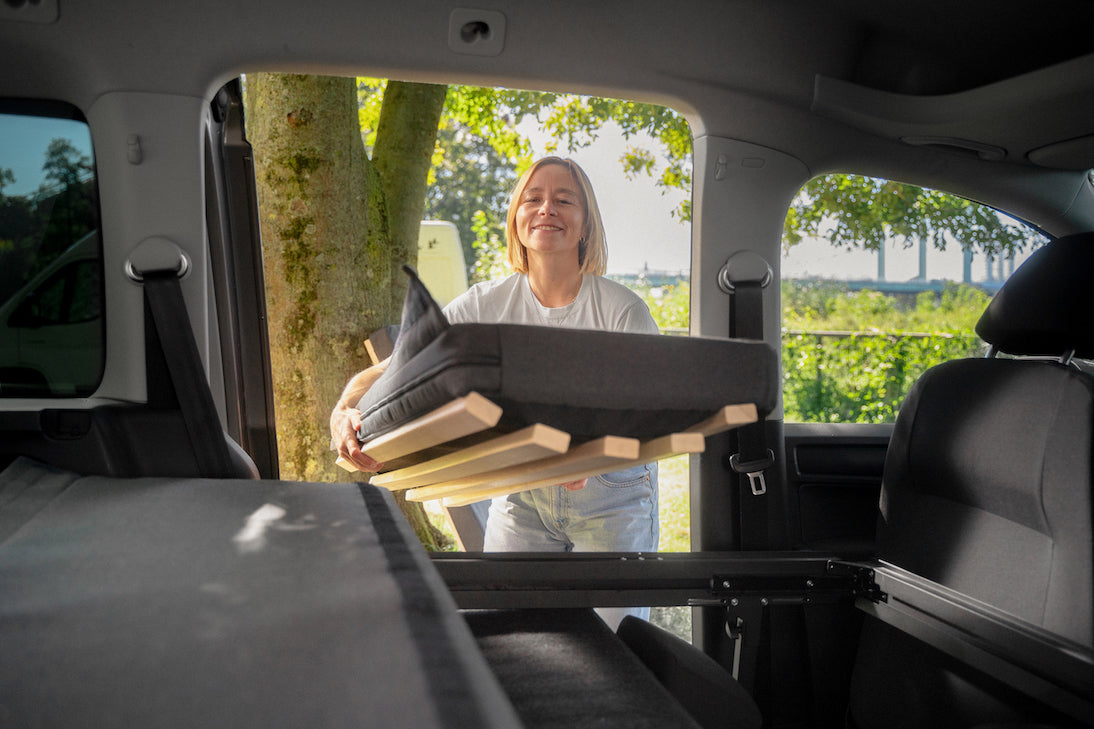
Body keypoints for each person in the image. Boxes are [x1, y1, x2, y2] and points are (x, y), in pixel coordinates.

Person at [330, 156, 659, 569]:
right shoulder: (483, 305)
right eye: (533, 198)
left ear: (587, 224)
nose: (546, 209)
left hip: (611, 498)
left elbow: (651, 413)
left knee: (612, 632)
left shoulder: (623, 311)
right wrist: (345, 410)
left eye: (564, 199)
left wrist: (593, 455)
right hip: (520, 494)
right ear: (516, 218)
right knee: (510, 624)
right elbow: (393, 368)